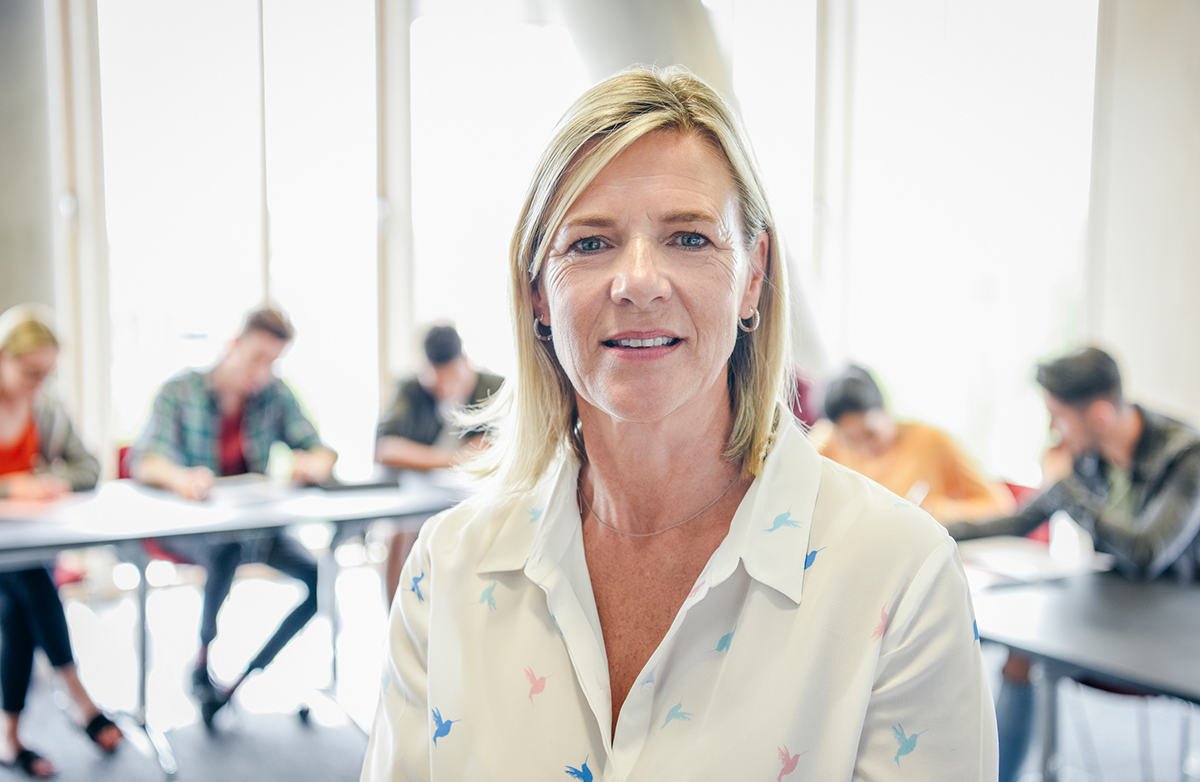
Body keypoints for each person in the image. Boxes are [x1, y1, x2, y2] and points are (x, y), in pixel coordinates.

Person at [360, 66, 996, 780]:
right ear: (538, 294)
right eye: (589, 243)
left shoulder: (899, 575)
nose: (637, 281)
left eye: (689, 238)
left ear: (753, 276)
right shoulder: (448, 569)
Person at [947, 346, 1200, 782]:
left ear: (1099, 415)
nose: (1053, 430)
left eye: (1058, 416)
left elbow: (1146, 554)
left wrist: (1070, 493)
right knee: (1021, 653)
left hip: (1181, 620)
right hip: (1118, 605)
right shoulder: (1089, 456)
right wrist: (928, 527)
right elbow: (1021, 517)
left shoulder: (1186, 457)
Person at [129, 306, 337, 728]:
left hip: (254, 527)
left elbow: (320, 449)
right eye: (258, 358)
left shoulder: (275, 395)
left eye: (273, 362)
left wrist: (312, 464)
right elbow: (143, 461)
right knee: (227, 547)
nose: (263, 372)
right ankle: (202, 660)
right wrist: (181, 478)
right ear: (233, 346)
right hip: (190, 528)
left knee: (321, 580)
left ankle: (241, 678)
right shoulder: (180, 391)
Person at [0, 304, 122, 777]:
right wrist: (14, 485)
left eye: (47, 373)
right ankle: (79, 697)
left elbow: (87, 468)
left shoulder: (45, 408)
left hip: (24, 546)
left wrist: (50, 478)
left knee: (22, 599)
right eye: (31, 372)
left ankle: (9, 738)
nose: (39, 383)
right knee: (31, 584)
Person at [374, 324, 504, 601]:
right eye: (435, 380)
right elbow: (386, 448)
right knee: (400, 530)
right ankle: (398, 621)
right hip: (418, 495)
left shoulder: (494, 388)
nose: (444, 388)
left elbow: (504, 445)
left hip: (475, 494)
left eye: (452, 378)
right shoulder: (410, 390)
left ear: (465, 364)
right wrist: (453, 459)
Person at [810, 364, 1015, 524]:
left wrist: (938, 511)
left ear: (883, 407)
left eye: (870, 434)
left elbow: (1001, 506)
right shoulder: (828, 439)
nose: (863, 448)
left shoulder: (932, 441)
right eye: (851, 440)